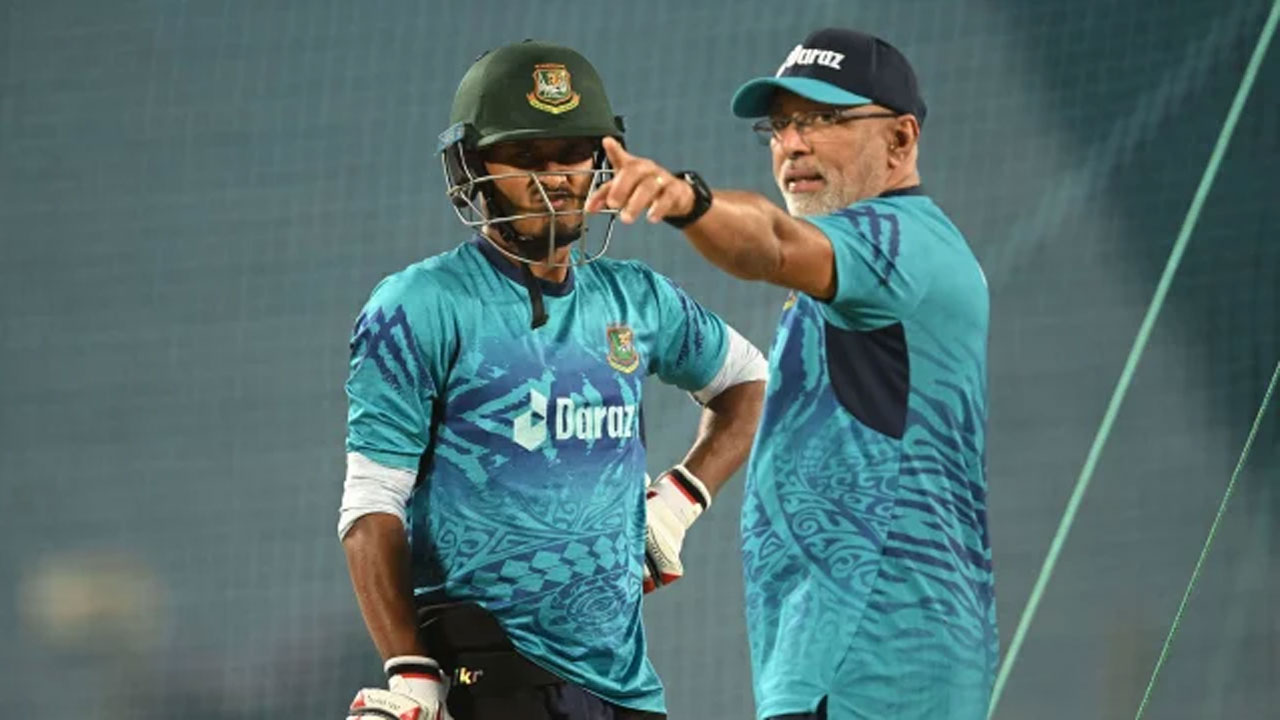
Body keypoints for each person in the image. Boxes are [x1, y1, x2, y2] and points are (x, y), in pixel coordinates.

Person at [338, 40, 767, 720]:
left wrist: (679, 501)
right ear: (472, 168)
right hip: (490, 670)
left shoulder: (637, 299)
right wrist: (410, 668)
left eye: (570, 153)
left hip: (626, 685)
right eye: (527, 157)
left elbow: (750, 383)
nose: (555, 179)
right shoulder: (417, 305)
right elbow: (371, 505)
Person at [584, 27, 996, 720]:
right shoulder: (885, 260)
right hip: (870, 658)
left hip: (872, 660)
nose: (792, 144)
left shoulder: (897, 242)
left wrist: (688, 201)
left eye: (823, 119)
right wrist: (682, 499)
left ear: (900, 139)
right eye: (780, 125)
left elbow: (773, 241)